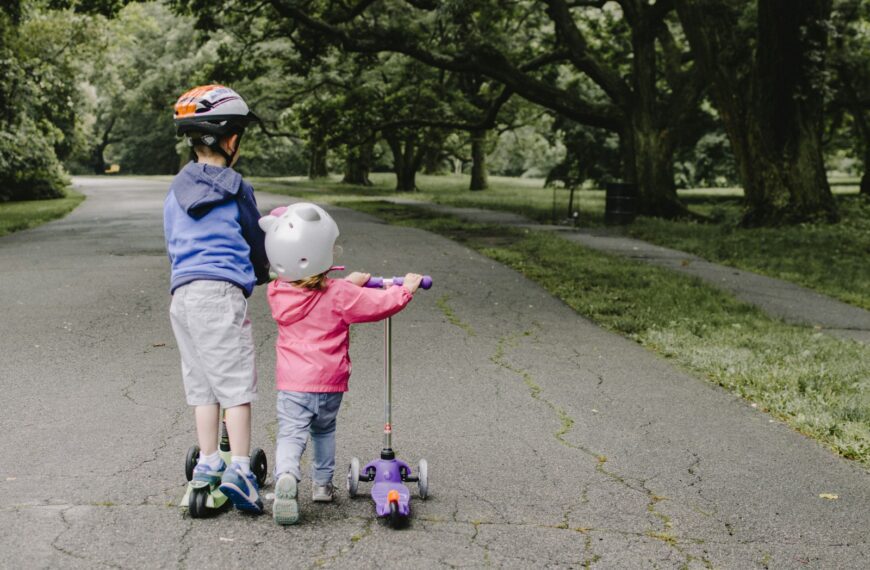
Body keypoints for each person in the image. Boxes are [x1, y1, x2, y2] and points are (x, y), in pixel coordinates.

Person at [258, 203, 423, 525]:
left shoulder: (278, 292)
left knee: (291, 434)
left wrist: (349, 282)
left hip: (292, 382)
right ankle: (322, 486)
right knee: (324, 431)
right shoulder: (340, 294)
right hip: (329, 382)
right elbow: (377, 304)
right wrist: (405, 290)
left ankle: (286, 477)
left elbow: (312, 290)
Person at [164, 85, 269, 514]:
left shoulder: (175, 190)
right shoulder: (236, 187)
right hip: (219, 294)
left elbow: (173, 241)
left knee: (202, 386)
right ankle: (241, 469)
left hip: (183, 296)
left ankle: (208, 462)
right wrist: (264, 272)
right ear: (230, 141)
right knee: (236, 386)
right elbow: (256, 236)